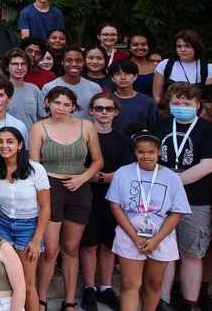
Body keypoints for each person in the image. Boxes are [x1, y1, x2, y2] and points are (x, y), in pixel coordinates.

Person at [29, 86, 105, 311]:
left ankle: (69, 300)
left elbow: (98, 160)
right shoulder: (38, 127)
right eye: (56, 103)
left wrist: (82, 179)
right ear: (48, 103)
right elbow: (34, 164)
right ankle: (41, 299)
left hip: (79, 187)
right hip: (50, 186)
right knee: (50, 250)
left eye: (66, 104)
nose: (61, 108)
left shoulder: (86, 126)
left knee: (71, 247)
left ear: (74, 106)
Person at [152, 83, 212, 311]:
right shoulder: (159, 126)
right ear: (169, 105)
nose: (181, 107)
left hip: (196, 200)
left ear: (197, 105)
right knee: (164, 252)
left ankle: (190, 302)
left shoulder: (210, 130)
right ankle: (163, 300)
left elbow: (208, 165)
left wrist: (171, 182)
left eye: (187, 104)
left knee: (192, 253)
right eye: (176, 103)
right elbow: (151, 158)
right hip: (161, 200)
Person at [108, 133, 190, 311]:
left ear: (159, 152)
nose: (146, 156)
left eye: (151, 152)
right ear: (135, 152)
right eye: (141, 152)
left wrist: (156, 240)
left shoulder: (172, 178)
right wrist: (136, 238)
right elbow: (115, 206)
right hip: (129, 236)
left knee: (153, 284)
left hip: (161, 237)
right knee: (130, 283)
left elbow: (177, 213)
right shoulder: (123, 173)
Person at [79, 93, 133, 311]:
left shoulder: (122, 139)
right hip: (86, 196)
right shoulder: (82, 136)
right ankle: (90, 287)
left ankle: (106, 287)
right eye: (99, 108)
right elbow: (77, 168)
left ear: (115, 112)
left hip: (114, 198)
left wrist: (100, 176)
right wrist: (92, 176)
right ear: (91, 110)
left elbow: (126, 171)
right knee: (89, 243)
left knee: (108, 244)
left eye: (108, 109)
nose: (103, 112)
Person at [0, 127, 50, 311]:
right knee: (5, 280)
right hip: (2, 224)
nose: (4, 145)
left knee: (26, 282)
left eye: (10, 141)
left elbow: (45, 208)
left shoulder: (36, 170)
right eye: (0, 141)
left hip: (29, 226)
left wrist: (35, 240)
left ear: (20, 145)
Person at [155, 30, 212, 103]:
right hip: (168, 111)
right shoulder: (165, 64)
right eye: (179, 46)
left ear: (196, 47)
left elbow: (210, 98)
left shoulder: (208, 69)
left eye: (187, 46)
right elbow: (157, 96)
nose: (182, 50)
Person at [110, 59, 159, 134]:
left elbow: (154, 129)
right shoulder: (106, 100)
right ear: (112, 78)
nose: (123, 77)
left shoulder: (148, 102)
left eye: (127, 74)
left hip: (140, 143)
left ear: (135, 76)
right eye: (118, 74)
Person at [0, 48, 41, 129]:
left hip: (31, 139)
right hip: (6, 139)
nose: (20, 68)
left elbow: (42, 119)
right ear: (7, 67)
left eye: (23, 64)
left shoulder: (34, 89)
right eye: (15, 64)